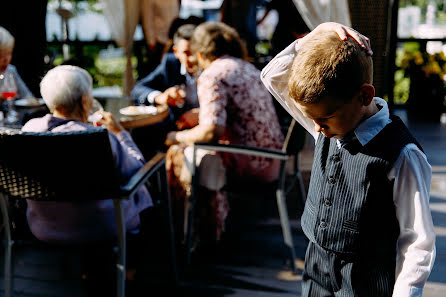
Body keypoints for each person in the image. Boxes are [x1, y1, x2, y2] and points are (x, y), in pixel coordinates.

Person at [261, 22, 436, 297]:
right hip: (316, 272)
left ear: (364, 95)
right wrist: (316, 36)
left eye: (323, 119)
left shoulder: (402, 154)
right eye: (314, 119)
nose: (316, 127)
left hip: (365, 283)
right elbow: (271, 77)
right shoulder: (329, 123)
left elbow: (417, 242)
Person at [165, 21, 284, 247]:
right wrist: (201, 114)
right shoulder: (246, 67)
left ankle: (191, 237)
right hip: (274, 159)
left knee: (178, 153)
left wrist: (175, 136)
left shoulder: (212, 75)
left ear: (200, 53)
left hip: (249, 164)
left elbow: (212, 131)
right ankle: (202, 229)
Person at [21, 65, 152, 244]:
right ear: (84, 101)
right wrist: (120, 133)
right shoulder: (99, 138)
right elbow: (138, 170)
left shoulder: (29, 130)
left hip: (43, 228)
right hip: (102, 226)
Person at [132, 23, 200, 127]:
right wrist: (160, 97)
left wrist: (202, 114)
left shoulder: (213, 66)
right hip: (177, 130)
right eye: (186, 53)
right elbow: (138, 89)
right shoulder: (171, 63)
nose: (192, 58)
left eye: (195, 52)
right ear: (176, 52)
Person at [0, 26, 33, 101]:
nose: (6, 59)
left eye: (9, 53)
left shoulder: (10, 71)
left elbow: (28, 97)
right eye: (1, 55)